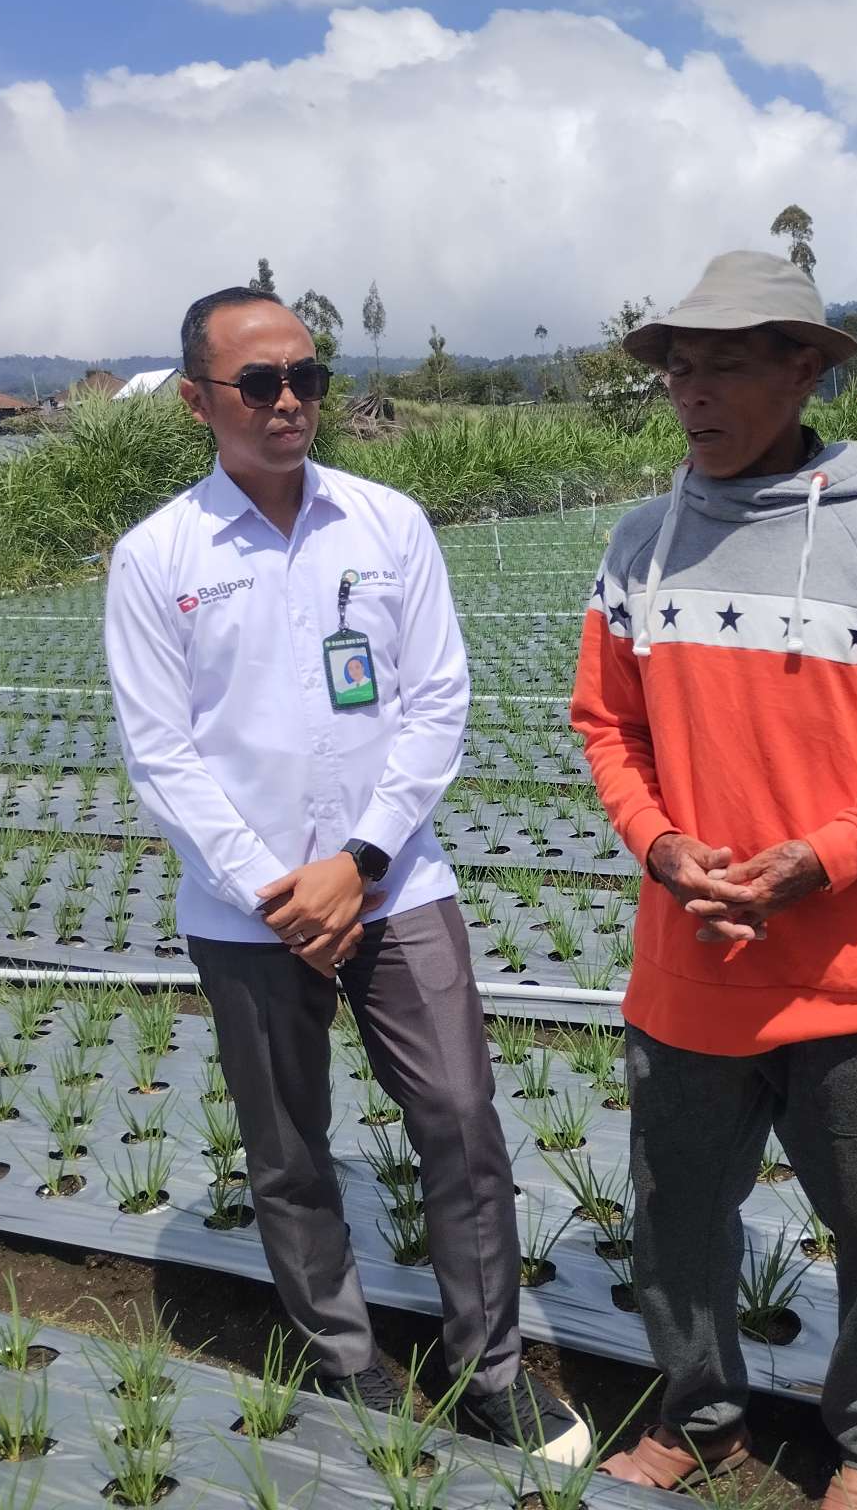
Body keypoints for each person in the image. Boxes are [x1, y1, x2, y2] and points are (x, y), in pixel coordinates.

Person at [103, 285, 588, 1462]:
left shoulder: (388, 524)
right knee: (288, 1143)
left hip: (396, 883)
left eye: (306, 379)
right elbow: (159, 751)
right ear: (196, 401)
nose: (287, 403)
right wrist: (283, 888)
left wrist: (358, 863)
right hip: (246, 908)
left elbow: (437, 702)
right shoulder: (158, 557)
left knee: (461, 1119)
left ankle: (490, 1366)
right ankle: (344, 1356)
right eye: (258, 384)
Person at [573, 251, 857, 1509]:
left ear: (803, 368)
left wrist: (823, 859)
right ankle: (702, 1414)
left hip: (846, 974)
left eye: (724, 366)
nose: (692, 393)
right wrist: (660, 847)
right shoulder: (641, 545)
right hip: (687, 968)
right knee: (676, 1219)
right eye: (677, 370)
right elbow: (608, 725)